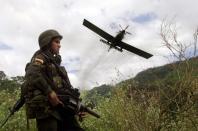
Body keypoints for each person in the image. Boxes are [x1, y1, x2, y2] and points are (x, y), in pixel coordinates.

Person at [24, 29, 84, 131]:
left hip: (61, 109)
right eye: (56, 42)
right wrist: (50, 92)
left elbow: (64, 89)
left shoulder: (54, 64)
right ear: (47, 43)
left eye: (59, 42)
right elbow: (32, 73)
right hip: (47, 111)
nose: (59, 45)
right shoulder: (40, 58)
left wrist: (77, 109)